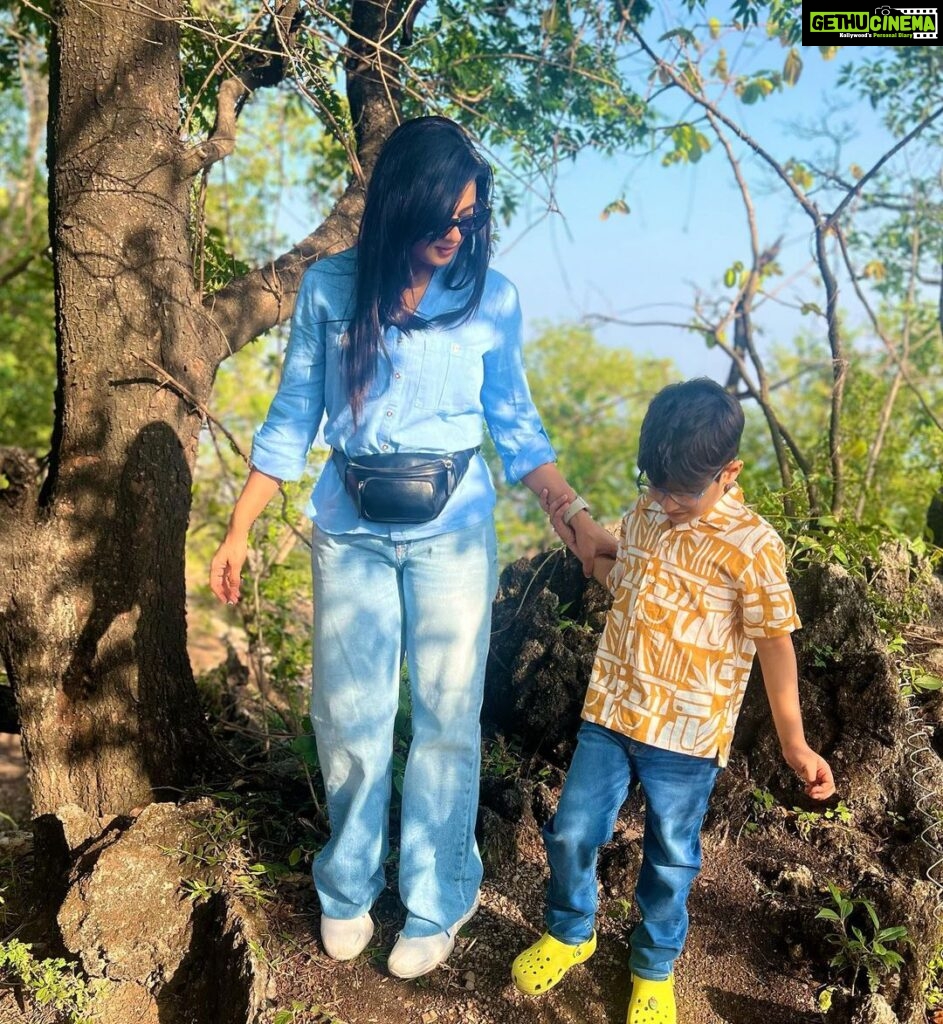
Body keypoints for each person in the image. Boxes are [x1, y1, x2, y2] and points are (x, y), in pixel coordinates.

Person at [209, 115, 602, 979]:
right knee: (348, 717)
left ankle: (436, 896)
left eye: (468, 219)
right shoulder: (329, 289)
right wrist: (238, 528)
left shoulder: (488, 296)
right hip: (348, 526)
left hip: (452, 532)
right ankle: (347, 885)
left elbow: (516, 427)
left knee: (446, 722)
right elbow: (291, 417)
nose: (453, 237)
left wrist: (574, 519)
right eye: (439, 220)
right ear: (395, 210)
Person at [512, 378, 836, 1024]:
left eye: (679, 492)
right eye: (653, 486)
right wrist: (589, 553)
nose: (664, 501)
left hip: (687, 739)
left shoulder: (752, 548)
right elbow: (623, 578)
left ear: (729, 472)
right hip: (613, 713)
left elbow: (775, 646)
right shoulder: (647, 512)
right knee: (573, 828)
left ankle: (653, 967)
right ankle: (571, 930)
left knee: (671, 856)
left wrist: (792, 741)